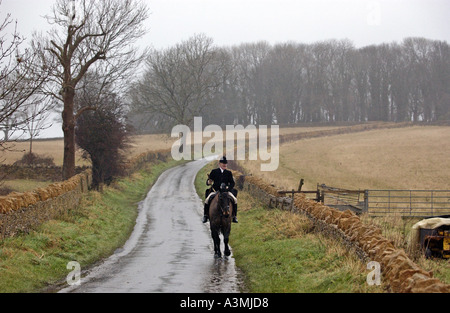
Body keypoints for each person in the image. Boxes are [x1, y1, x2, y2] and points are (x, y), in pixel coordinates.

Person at [202, 156, 239, 224]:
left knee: (235, 200)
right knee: (207, 200)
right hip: (216, 191)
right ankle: (205, 215)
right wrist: (209, 182)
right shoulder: (214, 171)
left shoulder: (229, 173)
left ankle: (234, 216)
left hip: (226, 192)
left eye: (225, 163)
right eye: (223, 163)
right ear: (219, 164)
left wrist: (228, 188)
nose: (224, 165)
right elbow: (208, 182)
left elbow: (232, 183)